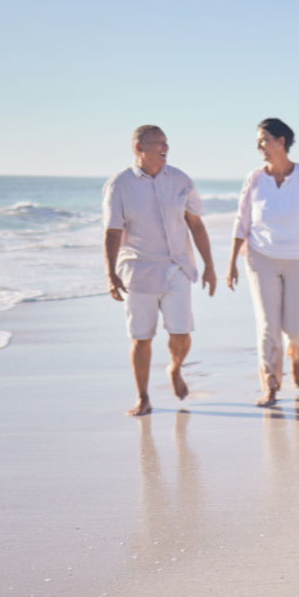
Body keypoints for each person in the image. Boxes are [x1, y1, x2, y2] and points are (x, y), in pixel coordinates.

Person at [227, 118, 299, 407]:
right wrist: (231, 262)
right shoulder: (254, 178)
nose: (259, 145)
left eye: (264, 139)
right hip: (260, 257)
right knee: (268, 325)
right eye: (258, 140)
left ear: (281, 142)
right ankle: (270, 384)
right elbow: (241, 221)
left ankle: (296, 358)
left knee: (295, 327)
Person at [102, 125, 216, 417]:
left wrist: (209, 267)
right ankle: (143, 397)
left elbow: (196, 225)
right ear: (139, 148)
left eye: (167, 142)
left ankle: (175, 368)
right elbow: (112, 232)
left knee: (181, 334)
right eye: (158, 143)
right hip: (138, 270)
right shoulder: (119, 185)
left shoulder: (180, 180)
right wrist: (110, 274)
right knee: (141, 337)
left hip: (177, 267)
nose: (165, 147)